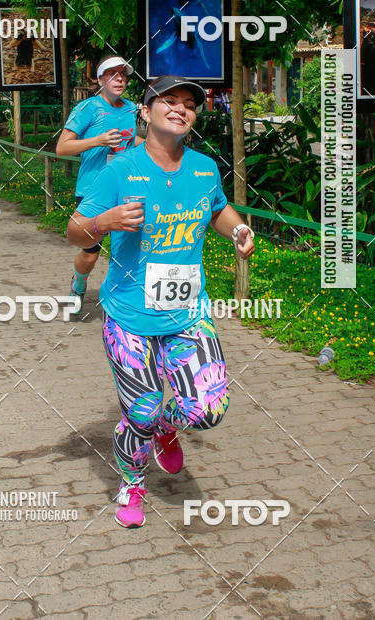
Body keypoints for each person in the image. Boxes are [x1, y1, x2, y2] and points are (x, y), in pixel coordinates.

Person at [66, 75, 255, 528]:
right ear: (145, 112)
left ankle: (169, 429)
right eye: (168, 100)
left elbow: (217, 209)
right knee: (141, 413)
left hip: (188, 313)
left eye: (189, 103)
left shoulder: (205, 168)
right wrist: (106, 221)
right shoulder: (119, 169)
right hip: (130, 316)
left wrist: (239, 229)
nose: (180, 108)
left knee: (206, 409)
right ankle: (132, 483)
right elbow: (75, 230)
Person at [56, 56, 143, 314]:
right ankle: (79, 285)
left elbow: (129, 140)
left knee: (129, 249)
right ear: (100, 80)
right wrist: (98, 140)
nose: (119, 79)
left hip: (126, 188)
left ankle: (125, 302)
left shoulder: (129, 108)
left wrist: (152, 147)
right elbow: (62, 147)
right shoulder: (87, 109)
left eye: (123, 75)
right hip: (93, 190)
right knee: (90, 253)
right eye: (113, 74)